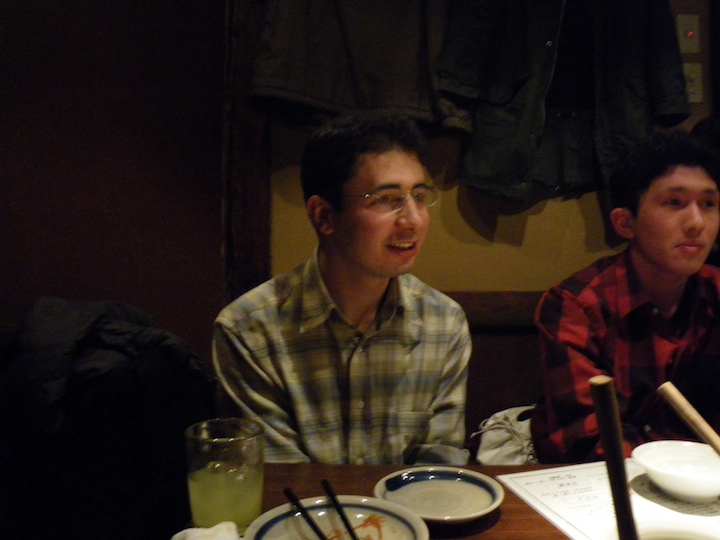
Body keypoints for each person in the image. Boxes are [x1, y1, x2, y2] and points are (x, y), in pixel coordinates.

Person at [212, 110, 471, 465]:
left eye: (419, 195)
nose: (413, 220)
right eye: (387, 199)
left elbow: (437, 469)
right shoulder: (249, 330)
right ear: (323, 216)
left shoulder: (443, 323)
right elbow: (279, 481)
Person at [530, 130, 720, 463]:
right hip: (610, 481)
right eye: (674, 203)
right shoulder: (577, 306)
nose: (696, 223)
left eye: (708, 204)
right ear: (625, 223)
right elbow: (587, 439)